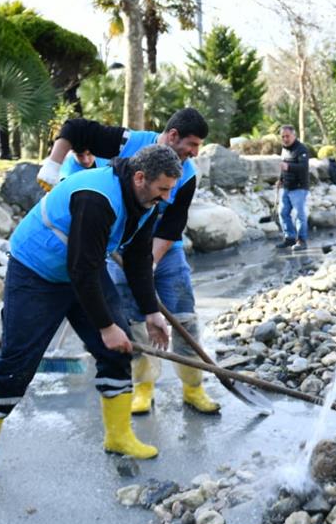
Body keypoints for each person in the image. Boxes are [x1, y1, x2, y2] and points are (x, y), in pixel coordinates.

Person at [0, 145, 180, 487]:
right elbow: (82, 269)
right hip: (36, 271)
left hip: (83, 270)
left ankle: (118, 436)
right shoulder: (97, 198)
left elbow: (137, 259)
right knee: (17, 363)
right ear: (140, 178)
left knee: (117, 350)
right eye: (162, 189)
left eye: (170, 190)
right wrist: (106, 327)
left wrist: (151, 312)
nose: (166, 198)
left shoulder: (146, 202)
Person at [41, 110, 221, 415]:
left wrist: (147, 266)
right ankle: (143, 387)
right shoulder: (127, 142)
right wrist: (52, 164)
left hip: (165, 253)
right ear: (173, 135)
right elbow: (76, 127)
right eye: (192, 144)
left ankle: (193, 389)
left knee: (185, 317)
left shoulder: (188, 173)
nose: (194, 153)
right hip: (120, 251)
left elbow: (171, 226)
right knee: (135, 324)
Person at [276, 124, 311, 250]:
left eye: (287, 136)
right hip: (287, 187)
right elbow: (283, 166)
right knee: (283, 212)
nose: (285, 138)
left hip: (299, 188)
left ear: (294, 135)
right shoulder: (284, 149)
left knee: (299, 215)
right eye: (283, 136)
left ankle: (302, 241)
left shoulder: (302, 149)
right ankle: (290, 238)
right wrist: (280, 179)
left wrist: (289, 167)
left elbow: (303, 167)